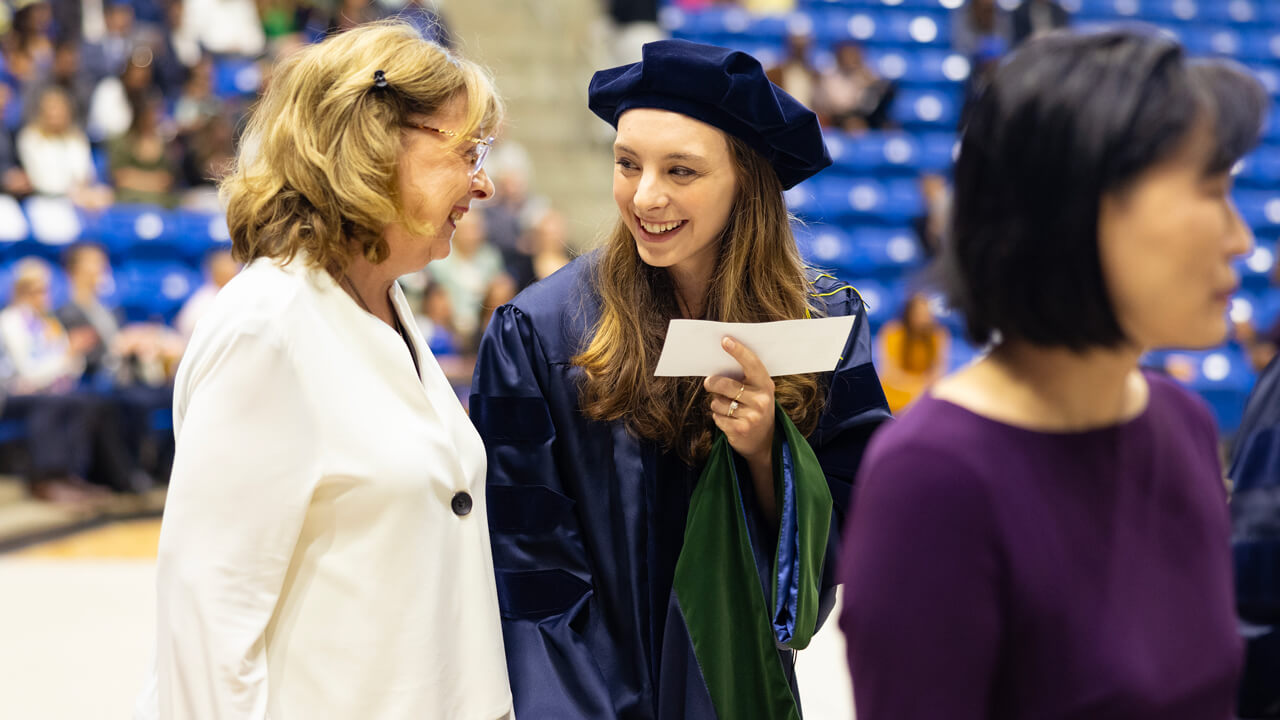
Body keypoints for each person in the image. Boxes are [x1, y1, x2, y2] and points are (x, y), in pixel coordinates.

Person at [838, 30, 1264, 720]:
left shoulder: (1181, 421)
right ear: (1079, 209)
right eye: (1212, 191)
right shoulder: (934, 479)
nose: (1240, 237)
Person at [471, 39, 890, 719]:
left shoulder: (819, 328)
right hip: (587, 702)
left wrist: (764, 451)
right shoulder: (540, 334)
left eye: (681, 171)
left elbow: (857, 536)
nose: (645, 196)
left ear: (746, 182)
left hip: (739, 694)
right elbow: (526, 573)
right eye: (627, 163)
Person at [137, 21, 513, 720]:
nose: (483, 181)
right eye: (468, 151)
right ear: (369, 142)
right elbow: (208, 624)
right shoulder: (266, 327)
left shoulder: (384, 301)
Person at [875, 292, 949, 414]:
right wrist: (920, 389)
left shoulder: (938, 335)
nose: (924, 319)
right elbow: (890, 373)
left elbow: (938, 373)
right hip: (895, 397)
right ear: (908, 314)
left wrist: (922, 391)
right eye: (919, 314)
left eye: (926, 314)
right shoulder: (892, 332)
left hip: (924, 397)